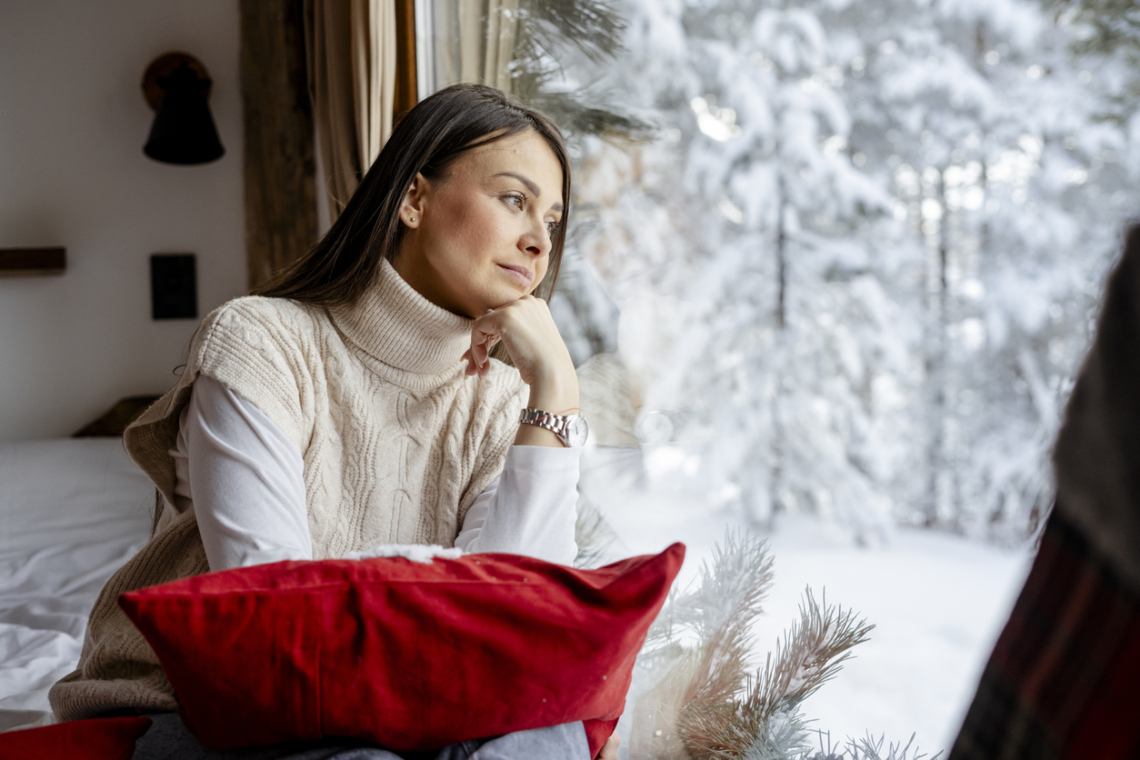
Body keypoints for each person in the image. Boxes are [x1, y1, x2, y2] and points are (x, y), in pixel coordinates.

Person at [49, 83, 618, 760]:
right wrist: (450, 588)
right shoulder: (260, 342)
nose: (537, 242)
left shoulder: (503, 399)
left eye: (552, 221)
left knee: (549, 737)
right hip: (204, 702)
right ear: (413, 199)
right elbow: (275, 616)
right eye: (515, 200)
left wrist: (554, 393)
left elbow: (513, 628)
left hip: (410, 697)